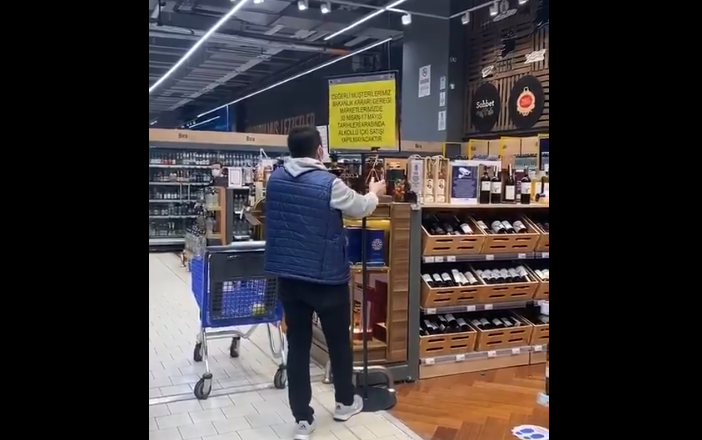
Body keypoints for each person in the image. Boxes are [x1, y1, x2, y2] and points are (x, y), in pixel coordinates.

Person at [264, 126, 386, 440]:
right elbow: (360, 208)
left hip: (290, 277)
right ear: (319, 150)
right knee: (338, 342)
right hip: (327, 278)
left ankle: (303, 420)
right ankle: (345, 403)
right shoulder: (328, 183)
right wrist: (375, 192)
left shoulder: (274, 180)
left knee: (298, 345)